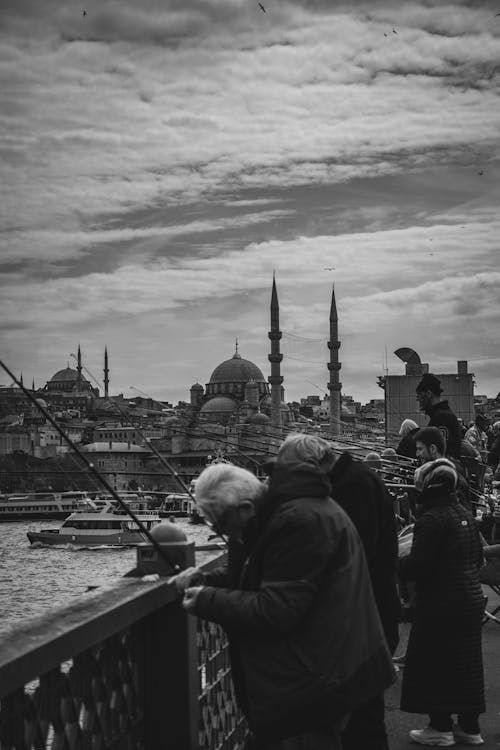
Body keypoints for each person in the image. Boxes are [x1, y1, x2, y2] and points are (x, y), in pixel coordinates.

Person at [173, 435, 395, 749]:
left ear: (245, 507)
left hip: (319, 679)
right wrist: (210, 580)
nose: (224, 535)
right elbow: (271, 574)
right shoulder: (288, 512)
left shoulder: (299, 521)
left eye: (221, 525)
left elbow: (277, 608)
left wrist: (206, 599)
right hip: (325, 664)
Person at [399, 457, 485, 746]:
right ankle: (470, 728)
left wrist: (396, 561)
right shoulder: (463, 512)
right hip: (469, 598)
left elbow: (418, 567)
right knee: (466, 665)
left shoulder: (432, 518)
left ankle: (440, 727)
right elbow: (476, 557)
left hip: (441, 601)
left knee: (434, 663)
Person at [326, 448, 400, 750]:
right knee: (365, 710)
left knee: (363, 715)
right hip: (374, 613)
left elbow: (357, 555)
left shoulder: (352, 488)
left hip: (365, 618)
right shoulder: (360, 480)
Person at [415, 426, 471, 510]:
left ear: (433, 449)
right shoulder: (453, 473)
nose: (417, 454)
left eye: (420, 449)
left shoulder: (442, 478)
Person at [415, 373, 462, 460]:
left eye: (420, 395)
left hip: (442, 470)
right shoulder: (444, 415)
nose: (418, 399)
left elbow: (439, 453)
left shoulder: (441, 418)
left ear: (428, 393)